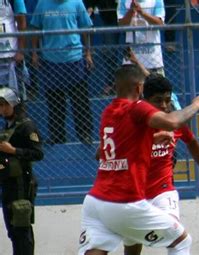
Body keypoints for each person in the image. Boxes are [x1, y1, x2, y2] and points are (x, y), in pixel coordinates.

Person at [79, 64, 199, 255]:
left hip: (95, 202)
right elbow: (173, 121)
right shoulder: (138, 108)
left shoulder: (109, 111)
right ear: (140, 89)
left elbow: (106, 151)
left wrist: (151, 140)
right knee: (181, 241)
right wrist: (197, 103)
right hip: (125, 201)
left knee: (97, 250)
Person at [123, 73, 199, 255]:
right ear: (145, 100)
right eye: (158, 101)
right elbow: (103, 154)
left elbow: (193, 143)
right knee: (132, 248)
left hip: (163, 192)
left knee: (177, 240)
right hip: (135, 195)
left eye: (167, 100)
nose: (164, 106)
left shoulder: (174, 121)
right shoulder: (133, 121)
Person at [30, 0, 94, 145]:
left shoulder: (77, 3)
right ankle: (57, 135)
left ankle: (85, 134)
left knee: (80, 101)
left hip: (74, 59)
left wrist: (88, 53)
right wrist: (34, 53)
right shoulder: (42, 4)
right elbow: (34, 28)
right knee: (54, 102)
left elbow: (86, 28)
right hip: (50, 61)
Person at [0, 87, 43, 255]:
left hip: (21, 185)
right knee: (12, 230)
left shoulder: (27, 126)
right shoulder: (6, 126)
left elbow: (38, 153)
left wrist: (14, 151)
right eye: (0, 105)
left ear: (14, 105)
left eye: (5, 105)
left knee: (22, 229)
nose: (3, 109)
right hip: (7, 184)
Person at [83, 0, 122, 96]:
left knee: (130, 52)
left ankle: (131, 84)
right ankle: (112, 84)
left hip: (130, 18)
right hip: (110, 19)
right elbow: (90, 7)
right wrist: (90, 8)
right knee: (109, 52)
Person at [118, 0, 166, 76]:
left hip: (154, 62)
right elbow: (121, 25)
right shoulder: (123, 1)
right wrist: (131, 11)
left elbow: (160, 24)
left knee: (158, 86)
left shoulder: (157, 1)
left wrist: (142, 12)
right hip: (131, 63)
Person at [0, 0, 28, 100]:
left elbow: (22, 21)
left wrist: (20, 51)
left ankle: (19, 115)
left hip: (11, 57)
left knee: (15, 99)